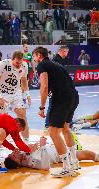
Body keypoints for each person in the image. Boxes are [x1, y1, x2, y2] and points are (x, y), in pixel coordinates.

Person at [33, 46, 80, 178]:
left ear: (39, 55)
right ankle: (74, 162)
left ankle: (66, 168)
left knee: (53, 131)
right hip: (73, 97)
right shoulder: (57, 64)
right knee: (66, 129)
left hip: (61, 99)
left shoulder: (42, 65)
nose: (34, 59)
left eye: (34, 57)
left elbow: (44, 86)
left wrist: (42, 107)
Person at [0, 51, 31, 144]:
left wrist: (27, 95)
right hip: (3, 93)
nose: (19, 65)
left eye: (20, 62)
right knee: (3, 119)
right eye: (17, 62)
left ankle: (26, 141)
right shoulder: (3, 64)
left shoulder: (24, 65)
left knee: (22, 115)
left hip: (16, 92)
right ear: (12, 59)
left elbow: (24, 81)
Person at [4, 136, 99, 170]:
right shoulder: (30, 163)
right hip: (59, 154)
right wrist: (43, 146)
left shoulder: (21, 154)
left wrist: (31, 146)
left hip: (53, 145)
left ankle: (74, 142)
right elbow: (45, 166)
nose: (14, 153)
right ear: (17, 162)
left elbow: (32, 147)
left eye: (11, 154)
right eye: (13, 156)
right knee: (86, 155)